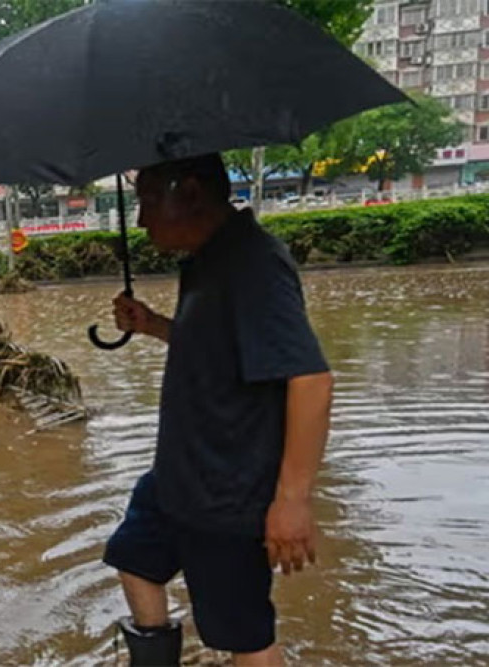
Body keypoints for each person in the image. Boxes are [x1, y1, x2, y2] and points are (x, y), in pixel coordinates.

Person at [102, 154, 334, 666]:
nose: (139, 221)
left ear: (187, 193)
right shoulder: (208, 259)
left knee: (242, 635)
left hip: (227, 492)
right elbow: (219, 346)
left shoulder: (253, 262)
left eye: (145, 203)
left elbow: (311, 379)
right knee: (134, 559)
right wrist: (154, 325)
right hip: (178, 478)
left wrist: (292, 500)